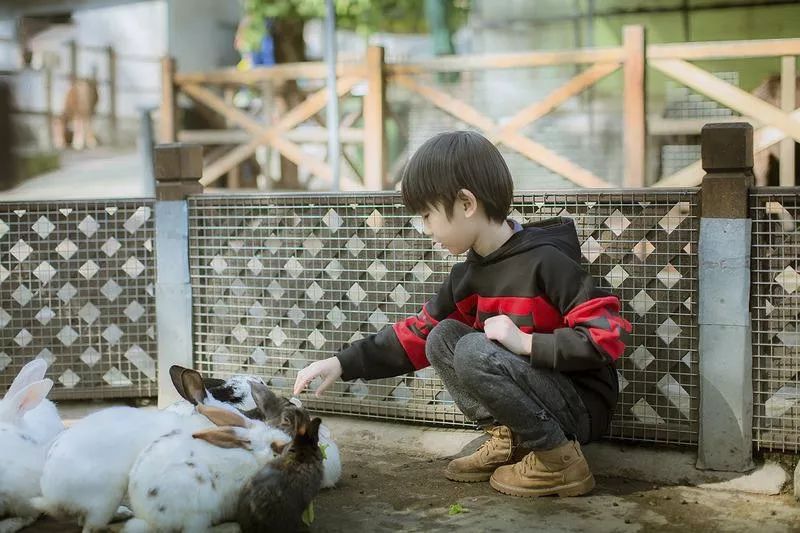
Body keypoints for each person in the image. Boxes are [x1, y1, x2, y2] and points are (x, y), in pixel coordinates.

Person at [293, 130, 631, 498]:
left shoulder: (546, 261)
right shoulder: (468, 276)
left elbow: (607, 336)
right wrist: (341, 363)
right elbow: (418, 334)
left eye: (428, 215)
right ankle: (510, 440)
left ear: (466, 203)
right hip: (537, 399)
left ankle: (558, 461)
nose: (426, 230)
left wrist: (527, 342)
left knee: (472, 349)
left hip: (579, 405)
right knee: (443, 337)